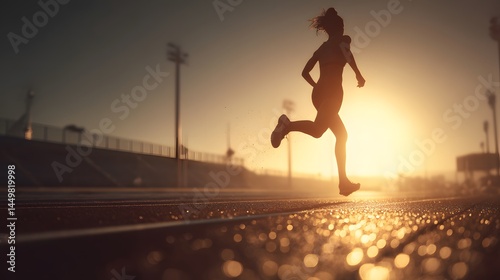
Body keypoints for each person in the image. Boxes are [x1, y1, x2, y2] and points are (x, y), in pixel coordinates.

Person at [271, 7, 365, 196]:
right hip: (332, 94)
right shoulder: (343, 41)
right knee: (318, 130)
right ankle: (286, 125)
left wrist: (316, 85)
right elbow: (348, 55)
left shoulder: (321, 49)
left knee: (342, 135)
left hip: (319, 93)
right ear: (338, 27)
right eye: (343, 25)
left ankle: (343, 183)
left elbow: (304, 72)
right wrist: (358, 75)